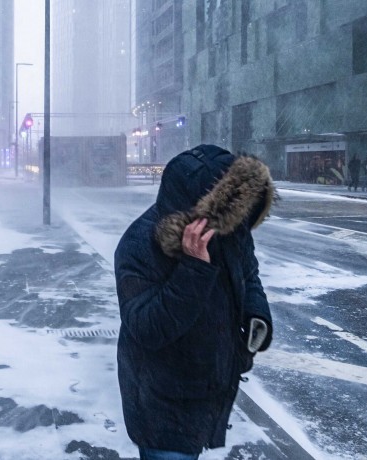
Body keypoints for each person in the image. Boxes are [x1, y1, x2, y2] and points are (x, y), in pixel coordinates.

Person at [114, 144, 275, 459]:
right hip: (159, 400)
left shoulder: (228, 230)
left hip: (208, 385)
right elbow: (147, 328)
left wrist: (257, 315)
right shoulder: (138, 245)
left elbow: (249, 273)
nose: (239, 215)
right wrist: (194, 269)